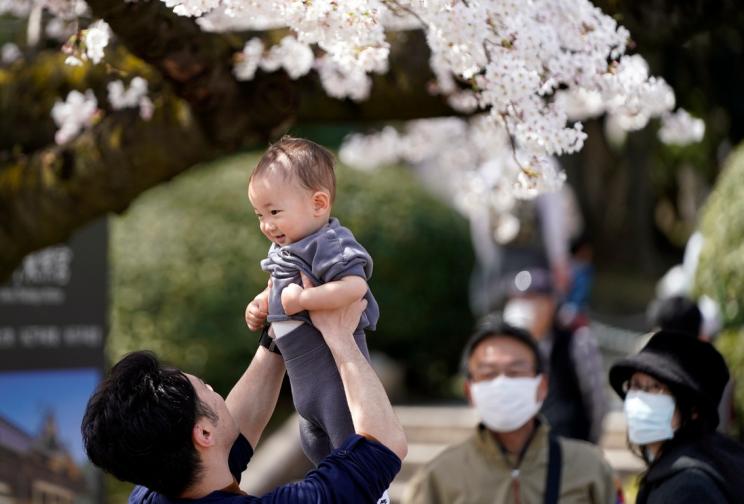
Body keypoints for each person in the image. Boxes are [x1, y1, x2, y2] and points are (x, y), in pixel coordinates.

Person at [81, 290, 407, 502]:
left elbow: (231, 430)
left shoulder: (152, 492)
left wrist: (280, 330)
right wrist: (340, 337)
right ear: (204, 434)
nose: (216, 392)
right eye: (206, 391)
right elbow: (384, 444)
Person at [244, 136, 380, 464]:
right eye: (259, 215)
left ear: (319, 203)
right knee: (320, 459)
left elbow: (354, 287)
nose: (266, 224)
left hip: (335, 378)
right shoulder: (284, 249)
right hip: (302, 384)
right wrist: (262, 302)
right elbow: (277, 285)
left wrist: (306, 298)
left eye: (274, 211)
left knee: (353, 459)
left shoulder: (328, 243)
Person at [403, 320, 617, 504]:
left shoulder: (590, 467)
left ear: (541, 386)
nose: (502, 383)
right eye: (488, 373)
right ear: (470, 391)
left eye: (515, 371)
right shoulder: (440, 475)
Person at [609, 330, 744, 503]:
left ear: (693, 410)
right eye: (635, 385)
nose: (640, 397)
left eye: (656, 387)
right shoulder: (672, 470)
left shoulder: (691, 488)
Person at [503, 271, 607, 443]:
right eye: (519, 299)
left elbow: (597, 399)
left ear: (551, 303)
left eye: (532, 298)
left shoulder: (577, 341)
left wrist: (591, 440)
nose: (524, 305)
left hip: (571, 448)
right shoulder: (507, 350)